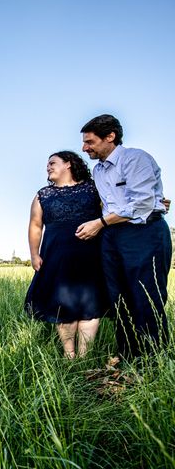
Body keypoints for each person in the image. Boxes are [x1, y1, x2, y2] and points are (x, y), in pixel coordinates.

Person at [76, 114, 171, 359]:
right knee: (118, 297)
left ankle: (153, 360)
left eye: (89, 142)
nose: (85, 148)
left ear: (110, 137)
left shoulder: (136, 159)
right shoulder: (97, 171)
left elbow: (141, 205)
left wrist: (100, 223)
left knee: (145, 295)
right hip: (112, 237)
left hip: (144, 233)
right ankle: (127, 354)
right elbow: (106, 204)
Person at [25, 151, 109, 358]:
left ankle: (84, 356)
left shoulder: (92, 188)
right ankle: (69, 355)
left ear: (68, 164)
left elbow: (115, 206)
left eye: (52, 163)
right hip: (56, 255)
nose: (48, 167)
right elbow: (36, 225)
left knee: (90, 304)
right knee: (63, 304)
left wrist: (155, 202)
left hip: (92, 254)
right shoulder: (43, 194)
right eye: (47, 164)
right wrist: (34, 255)